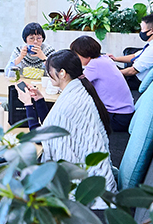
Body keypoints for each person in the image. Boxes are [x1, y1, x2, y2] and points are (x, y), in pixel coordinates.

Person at [14, 49, 117, 197]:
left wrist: (28, 104)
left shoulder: (70, 102)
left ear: (62, 73)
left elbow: (39, 137)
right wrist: (39, 100)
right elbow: (53, 126)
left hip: (82, 181)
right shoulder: (79, 88)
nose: (48, 75)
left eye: (49, 71)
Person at [71, 35, 134, 132]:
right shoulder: (104, 59)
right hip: (125, 114)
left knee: (77, 117)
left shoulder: (94, 64)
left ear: (86, 55)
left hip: (117, 118)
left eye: (76, 55)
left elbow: (77, 85)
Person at [109, 13, 153, 85]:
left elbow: (132, 71)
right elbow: (134, 56)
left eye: (142, 29)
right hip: (133, 75)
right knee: (105, 66)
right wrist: (115, 59)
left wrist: (112, 73)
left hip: (134, 80)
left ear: (152, 31)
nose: (141, 32)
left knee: (103, 71)